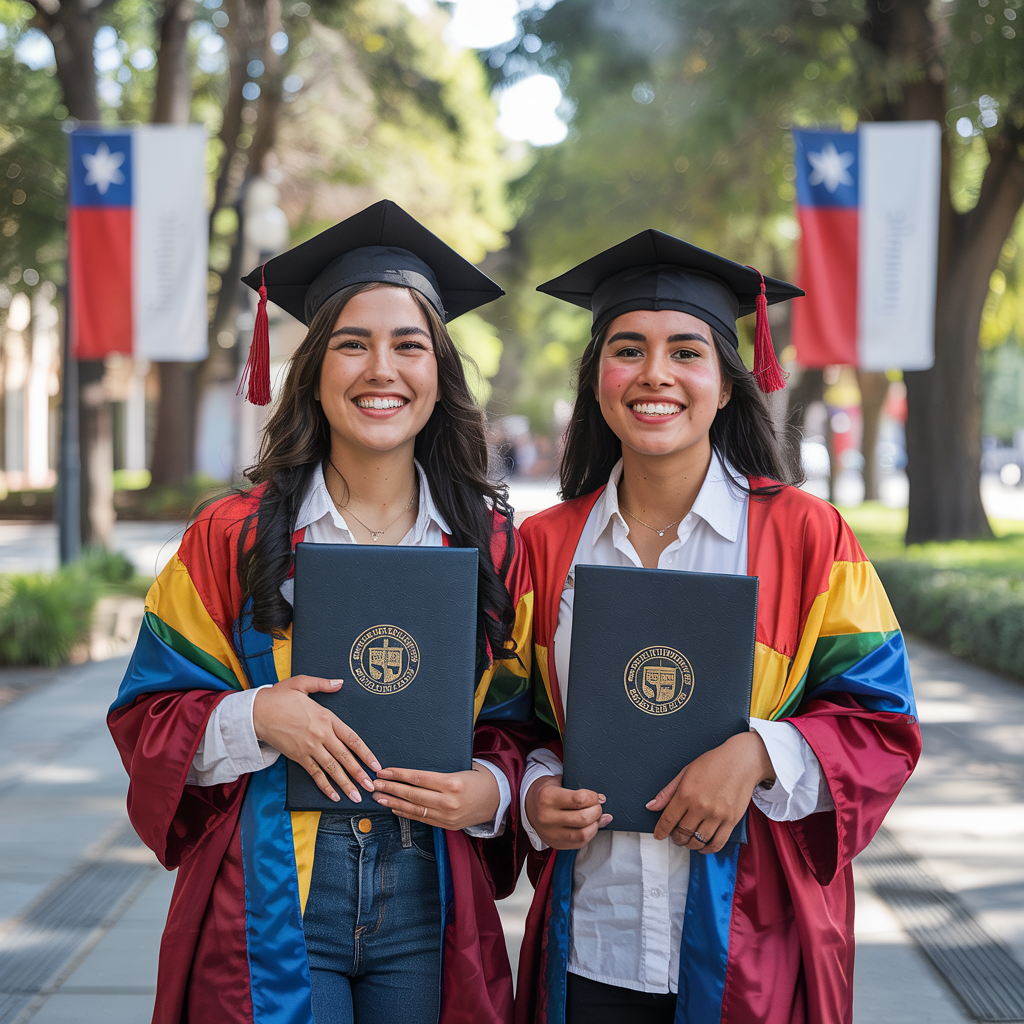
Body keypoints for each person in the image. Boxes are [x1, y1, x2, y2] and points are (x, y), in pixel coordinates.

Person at [107, 201, 534, 1024]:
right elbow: (146, 715)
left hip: (429, 893)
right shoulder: (229, 538)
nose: (382, 368)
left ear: (438, 371)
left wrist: (490, 789)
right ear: (313, 369)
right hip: (273, 890)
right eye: (352, 343)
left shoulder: (494, 546)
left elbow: (523, 725)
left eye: (409, 344)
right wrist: (258, 715)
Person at [514, 230, 921, 1024]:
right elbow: (509, 724)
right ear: (599, 379)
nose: (656, 374)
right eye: (627, 350)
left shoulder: (810, 538)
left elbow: (883, 727)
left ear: (728, 384)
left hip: (753, 950)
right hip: (589, 944)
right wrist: (534, 794)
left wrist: (761, 753)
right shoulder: (543, 546)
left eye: (687, 353)